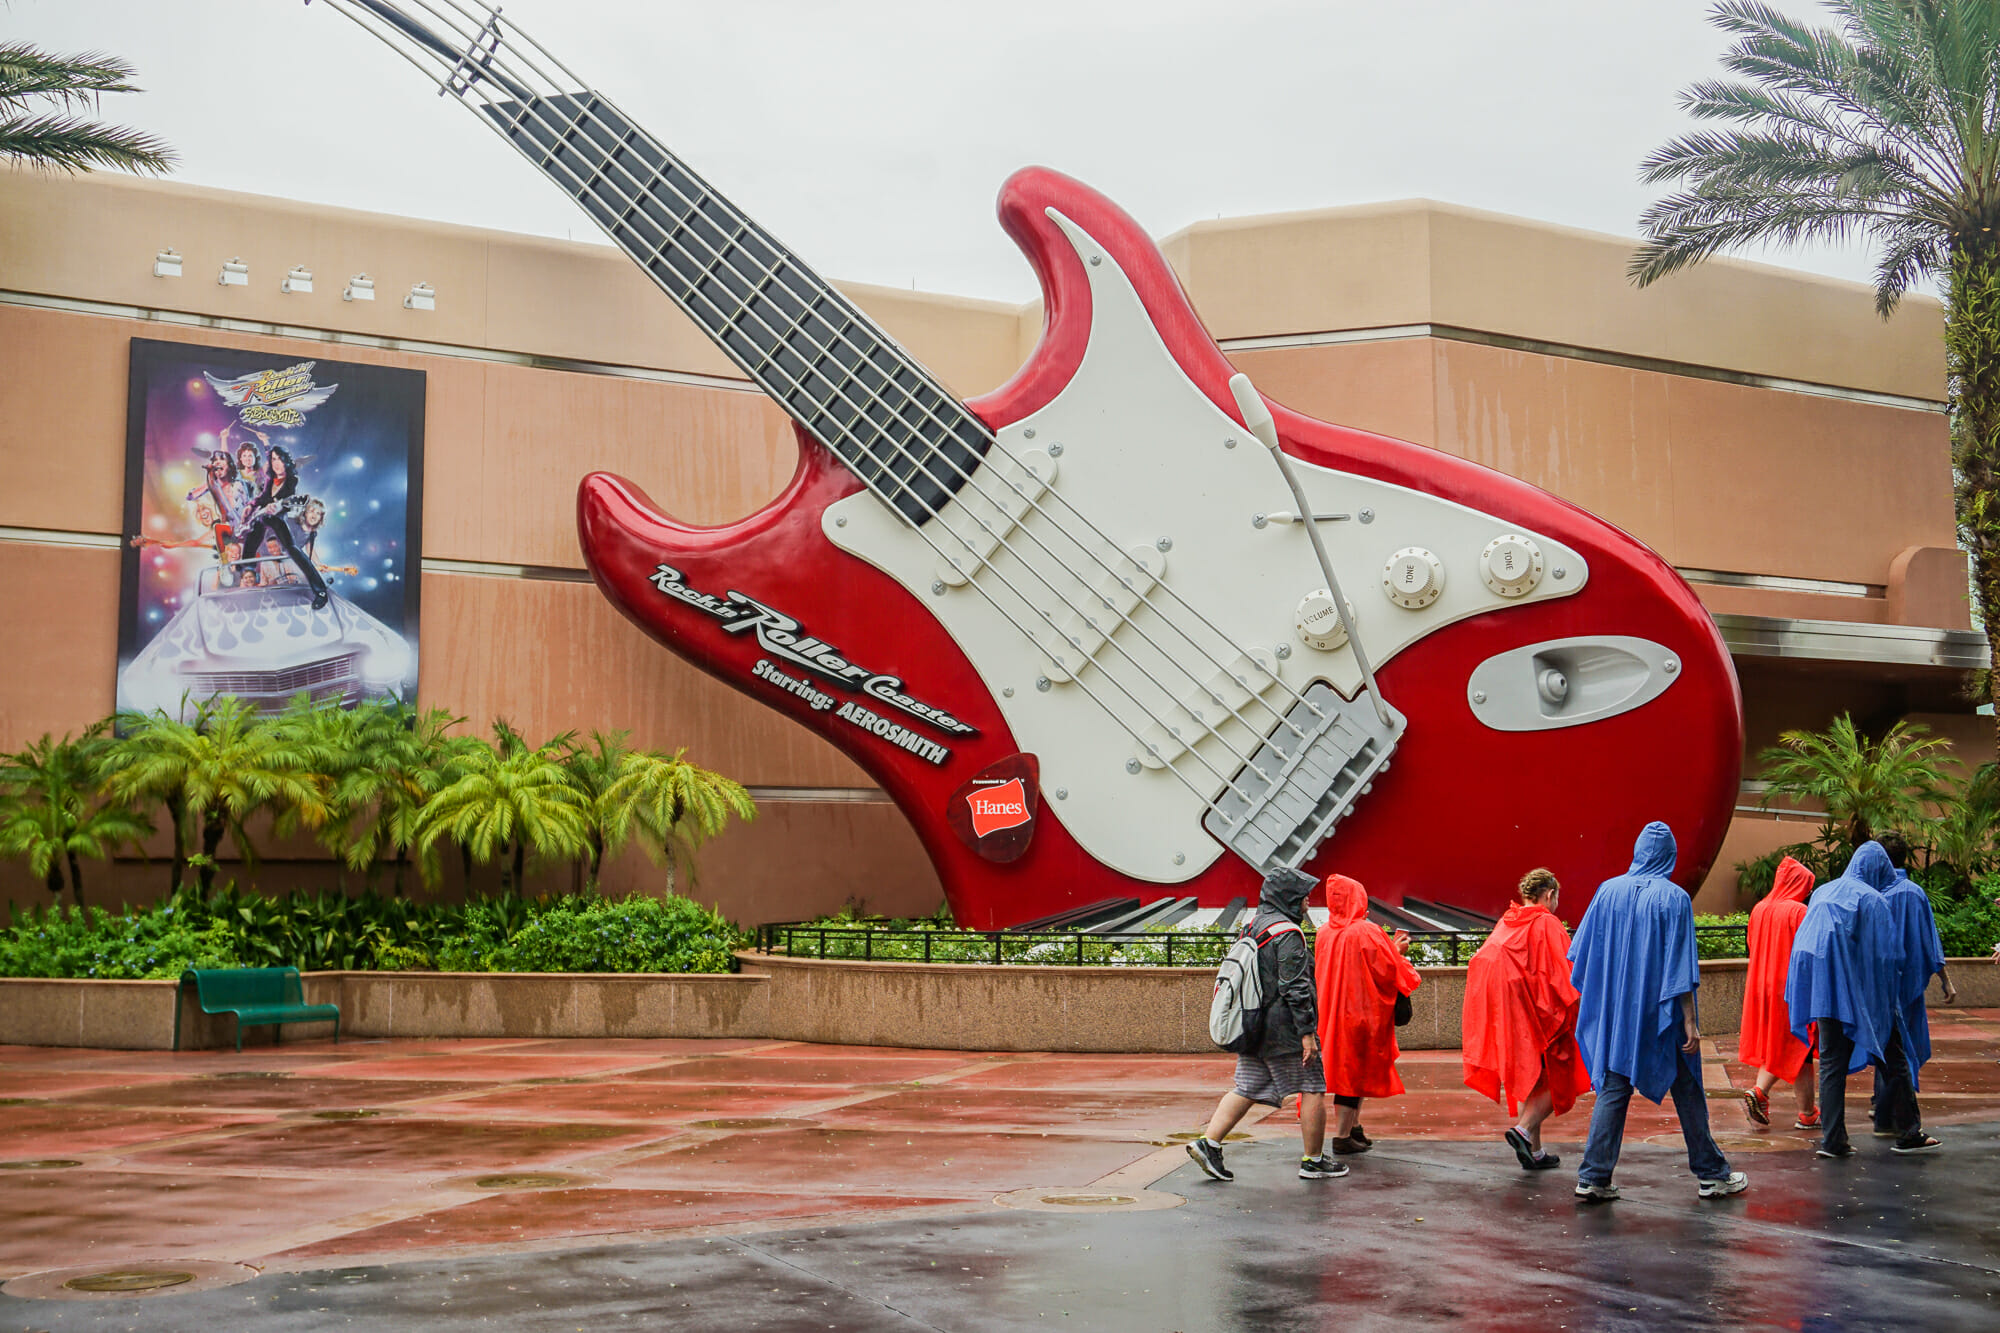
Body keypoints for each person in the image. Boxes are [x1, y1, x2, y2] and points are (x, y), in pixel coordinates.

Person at [1568, 821, 1748, 1202]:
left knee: (1614, 1088)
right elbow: (1681, 968)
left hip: (1619, 1016)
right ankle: (1711, 1174)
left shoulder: (1606, 892)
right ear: (1670, 855)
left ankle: (1594, 1176)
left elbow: (1583, 955)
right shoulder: (1675, 898)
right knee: (1687, 1089)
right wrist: (1689, 1022)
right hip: (1662, 1016)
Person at [1188, 866, 1346, 1182]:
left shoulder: (1252, 927)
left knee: (1247, 1087)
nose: (1306, 903)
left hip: (1253, 1024)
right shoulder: (1288, 933)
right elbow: (1294, 986)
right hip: (1283, 1029)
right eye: (1302, 897)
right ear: (1289, 898)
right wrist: (1307, 1034)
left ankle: (1209, 1143)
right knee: (1313, 1086)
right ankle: (1313, 1160)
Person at [1786, 840, 1938, 1156]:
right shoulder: (1873, 900)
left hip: (1825, 995)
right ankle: (1909, 1133)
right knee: (1895, 1061)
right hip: (1862, 997)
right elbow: (1885, 957)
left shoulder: (1823, 893)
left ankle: (1833, 1141)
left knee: (1831, 1065)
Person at [1461, 867, 1593, 1170]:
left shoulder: (1507, 923)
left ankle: (1534, 1152)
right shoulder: (1547, 922)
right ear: (1549, 895)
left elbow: (1486, 962)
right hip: (1543, 1015)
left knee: (1531, 1078)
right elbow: (1565, 972)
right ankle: (1522, 1130)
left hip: (1511, 1016)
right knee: (1560, 1076)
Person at [1314, 873, 1421, 1155]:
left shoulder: (1325, 932)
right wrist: (1398, 951)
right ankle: (1342, 1136)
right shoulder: (1366, 931)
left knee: (1345, 1072)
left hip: (1331, 1013)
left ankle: (1353, 1127)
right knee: (1353, 1075)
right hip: (1360, 1013)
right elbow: (1387, 969)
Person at [1874, 832, 1956, 1136]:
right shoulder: (1911, 893)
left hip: (1878, 986)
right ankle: (1893, 1118)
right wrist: (1945, 981)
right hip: (1906, 986)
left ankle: (1884, 1110)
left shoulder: (1869, 891)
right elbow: (1929, 941)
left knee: (1885, 1047)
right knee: (1902, 1052)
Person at [1739, 856, 1819, 1130]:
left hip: (1761, 986)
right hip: (1789, 989)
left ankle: (1803, 1110)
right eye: (1807, 886)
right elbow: (1810, 952)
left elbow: (1751, 944)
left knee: (1784, 1045)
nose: (1807, 892)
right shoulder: (1799, 912)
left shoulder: (1759, 909)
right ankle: (1801, 1110)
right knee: (1800, 1044)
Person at [237, 445, 330, 609]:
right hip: (262, 517)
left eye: (280, 459)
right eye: (273, 459)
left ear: (286, 461)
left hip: (277, 518)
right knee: (251, 540)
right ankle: (243, 572)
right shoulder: (270, 479)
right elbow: (263, 497)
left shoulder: (291, 479)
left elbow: (287, 500)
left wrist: (278, 507)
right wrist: (251, 506)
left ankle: (320, 591)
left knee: (293, 549)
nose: (276, 463)